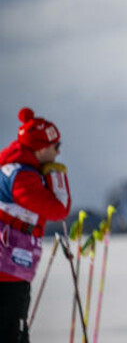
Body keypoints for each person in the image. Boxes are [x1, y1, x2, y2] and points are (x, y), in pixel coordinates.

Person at [0, 107, 72, 342]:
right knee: (11, 332)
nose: (58, 153)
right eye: (56, 147)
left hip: (12, 267)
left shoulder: (17, 169)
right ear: (42, 148)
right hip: (7, 271)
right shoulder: (23, 176)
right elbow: (58, 209)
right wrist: (56, 176)